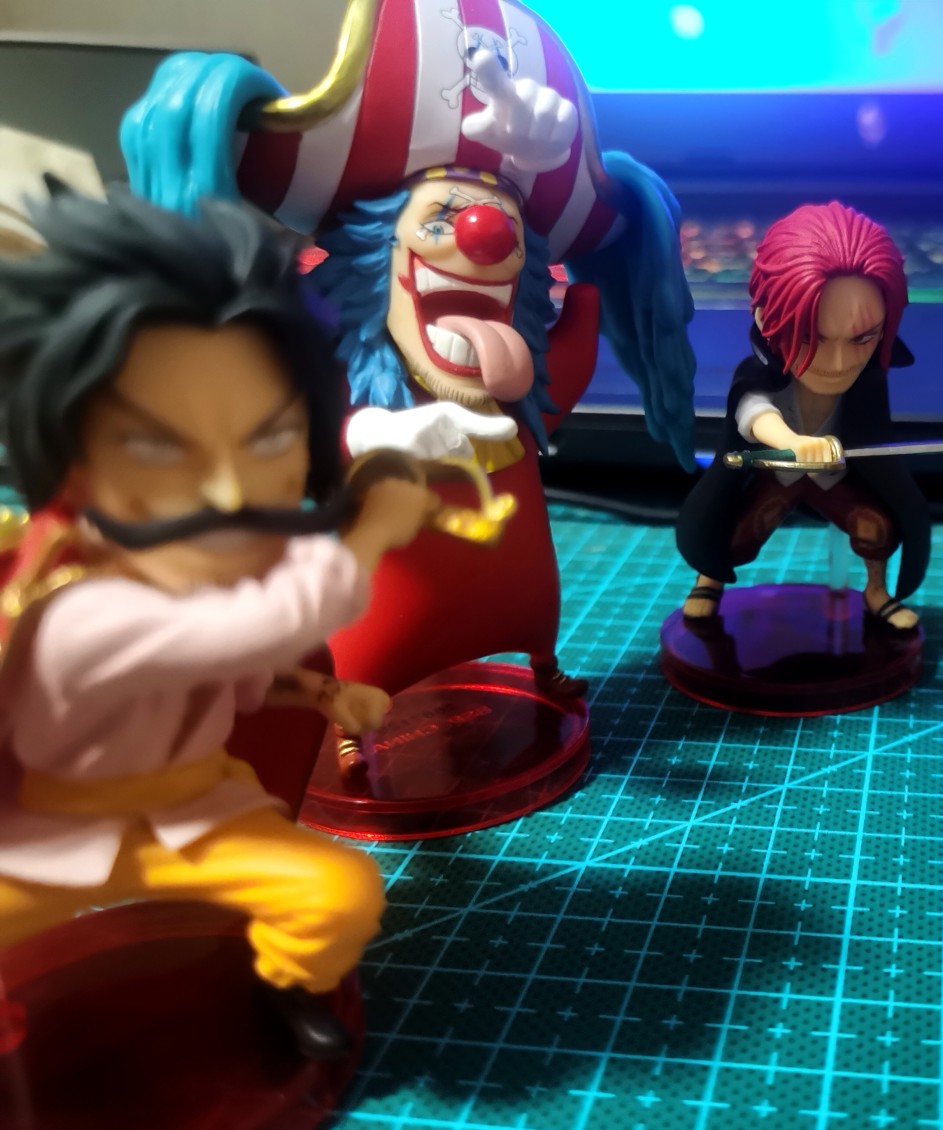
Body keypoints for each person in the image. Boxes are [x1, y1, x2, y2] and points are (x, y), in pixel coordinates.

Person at [119, 0, 699, 774]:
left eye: (507, 232)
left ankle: (543, 663)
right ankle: (352, 715)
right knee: (368, 643)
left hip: (517, 579)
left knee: (530, 605)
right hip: (385, 599)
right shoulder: (341, 395)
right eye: (444, 220)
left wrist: (586, 308)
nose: (485, 238)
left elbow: (567, 364)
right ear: (376, 264)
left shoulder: (516, 393)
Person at [0, 188, 435, 1056]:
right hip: (50, 831)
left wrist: (319, 694)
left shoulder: (217, 585)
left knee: (338, 893)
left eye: (269, 439)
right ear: (68, 456)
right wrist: (375, 528)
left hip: (198, 807)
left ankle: (289, 984)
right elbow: (250, 626)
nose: (232, 495)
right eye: (158, 448)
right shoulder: (78, 607)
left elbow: (232, 669)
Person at [675, 202, 928, 629]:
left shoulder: (868, 381)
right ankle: (709, 579)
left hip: (835, 476)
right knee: (732, 539)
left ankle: (875, 592)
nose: (838, 363)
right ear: (765, 319)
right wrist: (792, 443)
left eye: (862, 339)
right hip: (778, 473)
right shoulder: (758, 376)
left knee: (877, 529)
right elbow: (754, 412)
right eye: (812, 338)